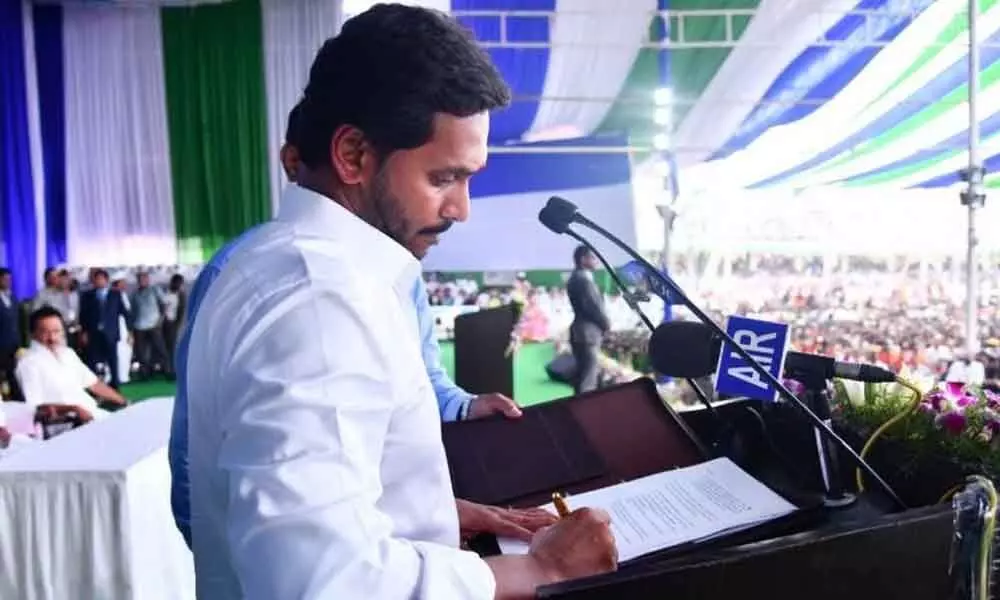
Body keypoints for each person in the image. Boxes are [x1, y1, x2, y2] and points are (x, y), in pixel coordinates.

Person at [182, 6, 617, 599]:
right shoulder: (320, 299)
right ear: (355, 155)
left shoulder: (278, 266)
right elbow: (322, 583)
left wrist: (431, 509)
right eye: (444, 178)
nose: (462, 208)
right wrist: (541, 569)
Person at [15, 306, 127, 416]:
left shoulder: (67, 353)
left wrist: (124, 401)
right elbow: (36, 408)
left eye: (56, 331)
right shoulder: (28, 363)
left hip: (92, 414)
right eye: (45, 332)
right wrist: (73, 409)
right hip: (66, 424)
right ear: (33, 334)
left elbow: (93, 384)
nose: (52, 338)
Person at [566, 245, 610, 394]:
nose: (596, 261)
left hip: (581, 332)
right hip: (587, 333)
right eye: (593, 257)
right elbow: (593, 308)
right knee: (587, 379)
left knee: (583, 375)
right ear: (583, 259)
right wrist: (606, 324)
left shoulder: (576, 278)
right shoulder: (583, 280)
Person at [78, 269, 130, 388]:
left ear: (106, 280)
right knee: (92, 361)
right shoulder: (87, 296)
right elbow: (83, 315)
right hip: (93, 333)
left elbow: (125, 313)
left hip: (111, 333)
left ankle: (115, 385)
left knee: (113, 361)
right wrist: (83, 332)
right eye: (96, 279)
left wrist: (130, 331)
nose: (99, 281)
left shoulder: (116, 294)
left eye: (101, 279)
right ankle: (94, 387)